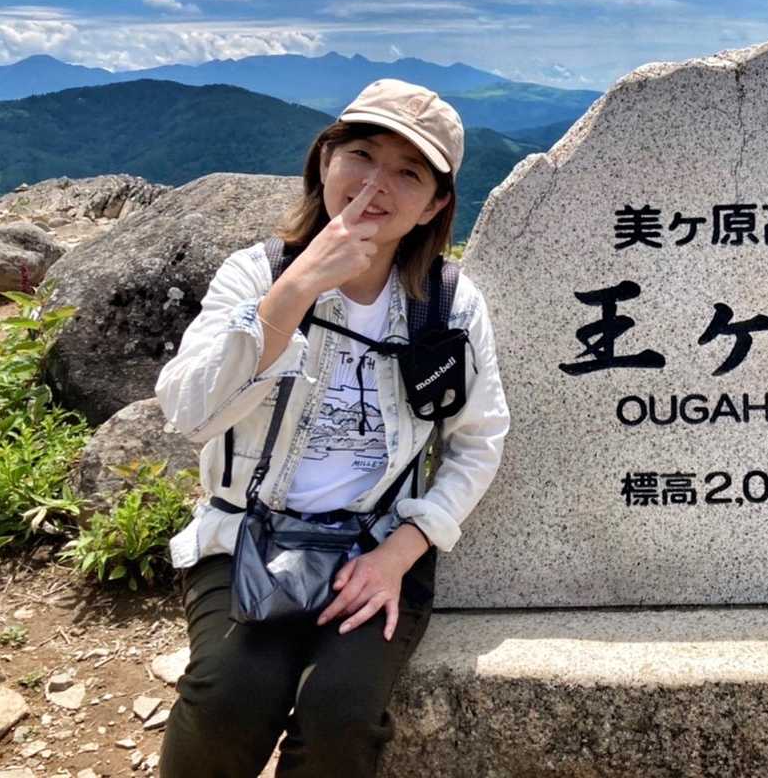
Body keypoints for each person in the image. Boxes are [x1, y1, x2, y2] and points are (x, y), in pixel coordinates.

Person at [155, 79, 510, 778]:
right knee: (228, 699)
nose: (376, 185)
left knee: (341, 712)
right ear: (325, 160)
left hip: (378, 544)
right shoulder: (257, 274)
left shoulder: (448, 302)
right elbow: (189, 414)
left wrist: (400, 553)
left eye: (409, 173)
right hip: (246, 535)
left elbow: (479, 439)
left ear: (434, 205)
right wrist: (292, 294)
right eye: (362, 154)